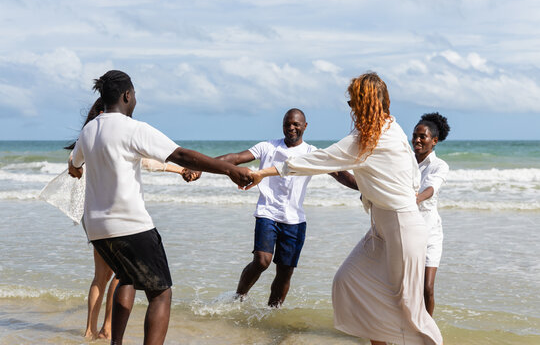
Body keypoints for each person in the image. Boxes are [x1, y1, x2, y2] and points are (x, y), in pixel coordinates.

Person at [245, 73, 443, 345]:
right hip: (381, 228)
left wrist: (264, 173)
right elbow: (410, 172)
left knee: (409, 309)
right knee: (348, 280)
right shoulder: (386, 128)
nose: (350, 106)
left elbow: (319, 159)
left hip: (402, 228)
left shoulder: (374, 138)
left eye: (353, 101)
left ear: (366, 102)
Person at [68, 70, 252, 345]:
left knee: (126, 278)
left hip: (96, 228)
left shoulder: (89, 130)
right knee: (161, 293)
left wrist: (77, 171)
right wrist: (228, 170)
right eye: (135, 95)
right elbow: (181, 154)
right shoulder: (133, 128)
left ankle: (115, 342)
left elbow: (74, 164)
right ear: (127, 95)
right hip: (129, 224)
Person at [186, 109, 357, 307]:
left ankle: (271, 312)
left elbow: (340, 174)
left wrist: (364, 188)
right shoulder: (267, 147)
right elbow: (235, 158)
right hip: (267, 213)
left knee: (285, 272)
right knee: (261, 261)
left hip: (295, 220)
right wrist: (201, 167)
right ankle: (239, 296)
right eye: (287, 124)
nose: (291, 128)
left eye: (295, 124)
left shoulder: (312, 153)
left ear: (305, 126)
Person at [65, 98, 191, 340]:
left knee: (101, 276)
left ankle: (90, 330)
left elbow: (73, 165)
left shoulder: (88, 138)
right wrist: (182, 169)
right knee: (124, 276)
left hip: (95, 221)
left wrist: (76, 169)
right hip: (121, 220)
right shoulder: (115, 137)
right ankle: (107, 328)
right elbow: (150, 162)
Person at [412, 112, 450, 316]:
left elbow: (431, 189)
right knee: (407, 287)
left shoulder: (439, 166)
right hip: (407, 233)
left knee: (427, 287)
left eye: (422, 137)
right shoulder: (406, 162)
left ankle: (426, 331)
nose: (417, 140)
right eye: (415, 135)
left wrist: (414, 199)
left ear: (434, 141)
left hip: (430, 234)